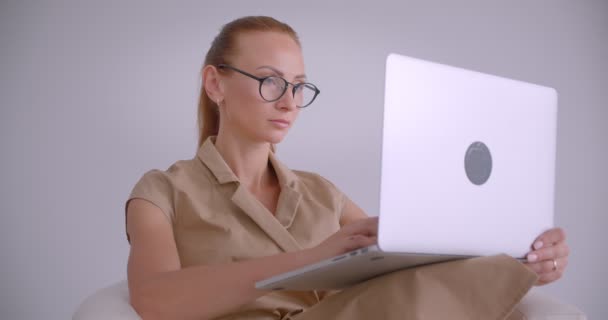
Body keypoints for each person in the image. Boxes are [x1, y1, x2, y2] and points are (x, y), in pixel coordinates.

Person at [125, 16, 570, 320]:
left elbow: (414, 269)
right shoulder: (163, 191)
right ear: (214, 83)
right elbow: (153, 299)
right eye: (271, 81)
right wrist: (311, 258)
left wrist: (523, 259)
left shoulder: (322, 193)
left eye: (299, 87)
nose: (288, 102)